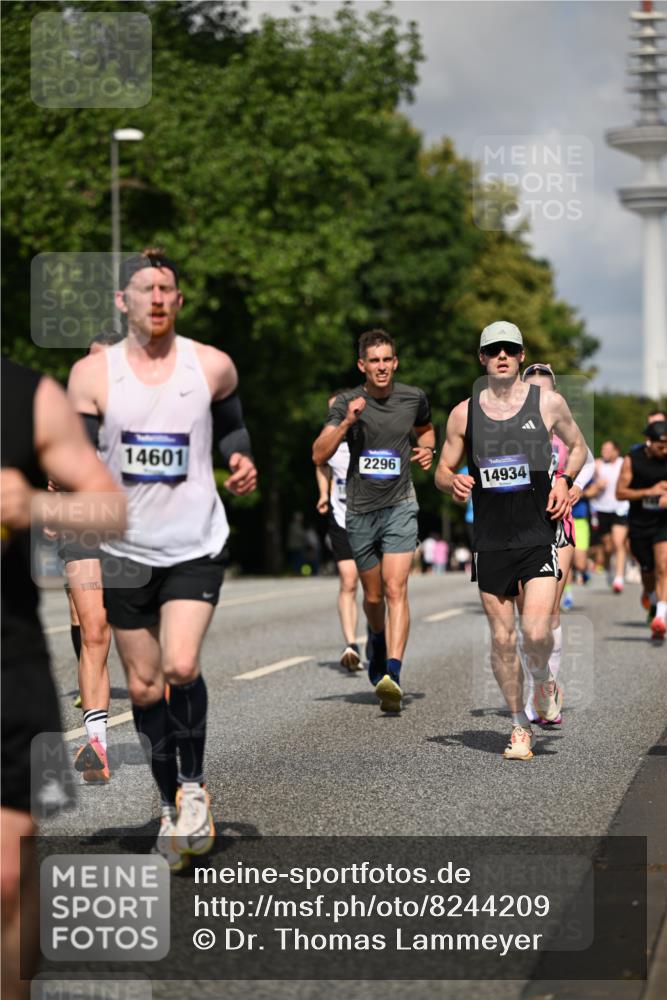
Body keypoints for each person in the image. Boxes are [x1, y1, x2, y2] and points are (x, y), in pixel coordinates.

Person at [67, 247, 257, 870]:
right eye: (144, 288)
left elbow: (232, 426)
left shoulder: (211, 366)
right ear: (122, 301)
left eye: (165, 288)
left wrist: (239, 457)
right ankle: (173, 805)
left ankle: (194, 788)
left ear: (177, 299)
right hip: (124, 549)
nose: (155, 297)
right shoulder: (92, 376)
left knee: (179, 664)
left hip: (195, 542)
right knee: (146, 687)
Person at [1, 358, 126, 1000]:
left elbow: (111, 505)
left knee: (5, 877)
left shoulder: (27, 394)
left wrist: (36, 503)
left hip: (6, 659)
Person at [435, 321, 588, 760]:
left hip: (537, 533)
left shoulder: (548, 403)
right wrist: (451, 481)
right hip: (490, 540)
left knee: (536, 630)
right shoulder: (464, 413)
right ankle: (520, 725)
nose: (502, 356)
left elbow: (578, 447)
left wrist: (564, 479)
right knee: (503, 638)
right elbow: (442, 469)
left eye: (510, 349)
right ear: (482, 358)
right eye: (493, 349)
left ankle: (543, 681)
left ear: (521, 355)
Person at [312, 329, 435, 713]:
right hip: (360, 511)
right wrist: (346, 423)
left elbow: (426, 431)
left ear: (395, 362)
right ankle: (376, 639)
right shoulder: (347, 402)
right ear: (362, 365)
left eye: (387, 360)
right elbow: (318, 454)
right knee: (373, 596)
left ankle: (392, 674)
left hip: (400, 504)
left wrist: (428, 450)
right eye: (374, 361)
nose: (381, 367)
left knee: (396, 588)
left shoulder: (413, 398)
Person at [517, 363, 595, 721]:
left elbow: (587, 460)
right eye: (531, 390)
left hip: (557, 526)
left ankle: (541, 698)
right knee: (528, 619)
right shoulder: (507, 428)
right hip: (518, 529)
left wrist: (574, 485)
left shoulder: (563, 429)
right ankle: (541, 684)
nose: (538, 398)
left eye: (545, 391)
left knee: (549, 612)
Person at [315, 394, 362, 670]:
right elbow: (320, 464)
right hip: (341, 519)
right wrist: (323, 493)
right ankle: (351, 644)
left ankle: (378, 637)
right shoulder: (329, 443)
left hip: (372, 520)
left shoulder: (367, 438)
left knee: (376, 588)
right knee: (348, 581)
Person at [616, 420, 667, 641]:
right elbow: (620, 493)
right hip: (640, 523)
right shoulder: (633, 459)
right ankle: (653, 600)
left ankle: (661, 618)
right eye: (661, 445)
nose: (665, 450)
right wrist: (650, 492)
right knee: (648, 571)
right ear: (649, 441)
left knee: (664, 567)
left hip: (663, 522)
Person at [588, 441, 630, 593]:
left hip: (620, 508)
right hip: (601, 509)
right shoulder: (598, 465)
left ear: (616, 451)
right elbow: (588, 486)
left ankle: (619, 578)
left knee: (619, 542)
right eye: (603, 449)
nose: (604, 452)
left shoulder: (624, 463)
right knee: (607, 546)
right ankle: (609, 570)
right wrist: (597, 486)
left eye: (607, 449)